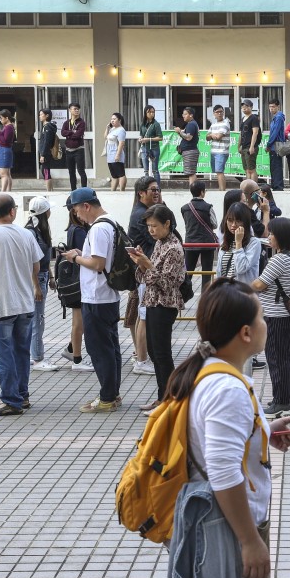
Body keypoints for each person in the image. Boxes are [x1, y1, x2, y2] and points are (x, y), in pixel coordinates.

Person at [163, 277, 290, 578]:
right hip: (226, 526)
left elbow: (216, 442)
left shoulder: (210, 372)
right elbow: (224, 473)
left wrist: (264, 431)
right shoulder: (228, 390)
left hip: (218, 520)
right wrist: (250, 541)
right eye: (261, 318)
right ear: (245, 333)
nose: (266, 324)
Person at [0, 194, 44, 416]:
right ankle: (22, 396)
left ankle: (10, 400)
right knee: (22, 352)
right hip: (24, 302)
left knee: (5, 354)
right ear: (12, 212)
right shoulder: (26, 234)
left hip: (1, 304)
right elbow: (36, 265)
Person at [61, 187, 124, 413]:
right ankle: (112, 394)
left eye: (77, 210)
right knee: (111, 347)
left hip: (97, 297)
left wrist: (76, 257)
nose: (77, 215)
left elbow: (98, 264)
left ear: (86, 206)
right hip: (108, 296)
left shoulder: (98, 229)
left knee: (100, 349)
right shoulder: (111, 222)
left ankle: (107, 398)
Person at [127, 203, 185, 412]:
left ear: (167, 223)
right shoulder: (160, 243)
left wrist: (148, 265)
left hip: (164, 304)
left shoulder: (174, 247)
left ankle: (169, 400)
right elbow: (146, 278)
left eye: (154, 226)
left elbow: (167, 283)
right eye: (149, 226)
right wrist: (140, 262)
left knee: (162, 354)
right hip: (151, 302)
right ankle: (162, 397)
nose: (151, 230)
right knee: (153, 351)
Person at [250, 217, 290, 418]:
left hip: (275, 316)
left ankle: (281, 403)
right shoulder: (289, 257)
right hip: (283, 315)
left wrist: (243, 286)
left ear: (281, 237)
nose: (269, 237)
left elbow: (259, 284)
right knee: (283, 357)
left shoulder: (278, 259)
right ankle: (285, 398)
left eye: (272, 233)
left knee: (276, 359)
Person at [128, 176, 160, 375]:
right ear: (141, 193)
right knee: (144, 316)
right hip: (145, 271)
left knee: (142, 316)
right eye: (152, 190)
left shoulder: (142, 212)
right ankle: (141, 360)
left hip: (145, 270)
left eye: (157, 189)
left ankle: (141, 356)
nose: (156, 193)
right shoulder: (141, 215)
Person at [25, 196, 58, 372]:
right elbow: (31, 262)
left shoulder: (40, 229)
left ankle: (34, 355)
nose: (51, 212)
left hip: (43, 276)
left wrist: (51, 277)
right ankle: (37, 358)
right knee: (37, 319)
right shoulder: (31, 232)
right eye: (48, 209)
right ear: (44, 212)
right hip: (37, 279)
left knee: (38, 318)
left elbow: (44, 259)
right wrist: (37, 286)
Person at [60, 202, 93, 372]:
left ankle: (72, 350)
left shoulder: (74, 229)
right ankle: (77, 360)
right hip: (79, 280)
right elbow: (85, 254)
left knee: (78, 321)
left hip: (74, 280)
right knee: (78, 322)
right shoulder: (79, 230)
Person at [181, 180, 218, 293]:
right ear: (202, 192)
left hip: (190, 243)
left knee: (188, 272)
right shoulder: (208, 207)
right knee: (206, 273)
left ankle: (182, 297)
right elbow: (215, 224)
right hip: (207, 243)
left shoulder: (184, 208)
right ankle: (205, 298)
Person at [62, 102, 88, 191]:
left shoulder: (81, 122)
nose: (76, 110)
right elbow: (62, 133)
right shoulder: (66, 122)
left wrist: (69, 134)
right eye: (74, 109)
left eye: (78, 109)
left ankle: (84, 190)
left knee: (81, 171)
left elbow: (78, 135)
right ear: (70, 110)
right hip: (68, 150)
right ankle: (73, 190)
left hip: (78, 150)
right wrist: (72, 132)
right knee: (71, 172)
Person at [264, 98, 286, 191]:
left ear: (278, 107)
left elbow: (275, 132)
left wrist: (268, 144)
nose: (271, 109)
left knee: (276, 166)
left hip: (276, 145)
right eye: (270, 107)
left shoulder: (278, 117)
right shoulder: (276, 117)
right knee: (273, 166)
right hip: (274, 145)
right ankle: (275, 185)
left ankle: (278, 186)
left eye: (273, 107)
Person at [174, 107, 199, 186]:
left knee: (191, 173)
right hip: (189, 151)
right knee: (191, 173)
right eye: (183, 114)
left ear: (191, 115)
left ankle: (194, 191)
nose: (183, 116)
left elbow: (188, 137)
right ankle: (195, 190)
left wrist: (179, 132)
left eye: (185, 114)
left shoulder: (191, 124)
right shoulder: (191, 124)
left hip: (190, 151)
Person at [139, 104, 163, 186]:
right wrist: (140, 139)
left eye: (153, 112)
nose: (151, 114)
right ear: (145, 113)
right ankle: (146, 187)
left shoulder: (156, 124)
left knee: (155, 170)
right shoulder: (142, 124)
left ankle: (157, 188)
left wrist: (149, 139)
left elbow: (160, 138)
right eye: (149, 112)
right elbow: (141, 134)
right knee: (145, 170)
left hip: (154, 148)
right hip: (144, 148)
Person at [207, 104, 230, 190]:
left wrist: (212, 135)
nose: (220, 114)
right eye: (217, 112)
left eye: (221, 112)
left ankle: (222, 192)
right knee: (217, 172)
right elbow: (207, 137)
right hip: (214, 151)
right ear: (214, 114)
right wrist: (213, 135)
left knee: (219, 172)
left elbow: (218, 137)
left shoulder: (226, 123)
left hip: (222, 151)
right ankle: (220, 189)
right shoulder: (213, 124)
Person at [239, 99, 261, 182]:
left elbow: (255, 132)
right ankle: (248, 187)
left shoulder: (253, 118)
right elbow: (241, 134)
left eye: (246, 106)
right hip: (244, 147)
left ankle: (254, 188)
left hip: (251, 146)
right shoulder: (242, 119)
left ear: (251, 107)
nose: (244, 108)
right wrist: (239, 146)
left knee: (252, 169)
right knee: (247, 169)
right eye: (243, 106)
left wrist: (252, 147)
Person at [104, 112, 127, 191]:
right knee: (114, 175)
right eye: (111, 119)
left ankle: (122, 190)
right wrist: (107, 128)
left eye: (114, 119)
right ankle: (112, 191)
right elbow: (105, 137)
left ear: (119, 120)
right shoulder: (112, 129)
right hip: (110, 153)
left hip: (116, 152)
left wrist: (117, 155)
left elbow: (121, 143)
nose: (112, 121)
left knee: (120, 173)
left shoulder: (121, 130)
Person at [0, 109, 15, 193]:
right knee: (7, 173)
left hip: (4, 150)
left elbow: (5, 140)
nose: (1, 120)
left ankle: (3, 192)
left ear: (7, 118)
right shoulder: (8, 127)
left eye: (1, 118)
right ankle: (8, 191)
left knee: (3, 174)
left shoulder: (9, 127)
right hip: (4, 150)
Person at [38, 109, 56, 191]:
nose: (40, 116)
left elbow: (47, 142)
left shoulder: (47, 127)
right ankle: (51, 190)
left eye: (41, 114)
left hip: (46, 152)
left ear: (47, 116)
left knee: (45, 171)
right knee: (46, 170)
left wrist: (43, 154)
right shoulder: (46, 126)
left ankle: (49, 191)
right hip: (46, 152)